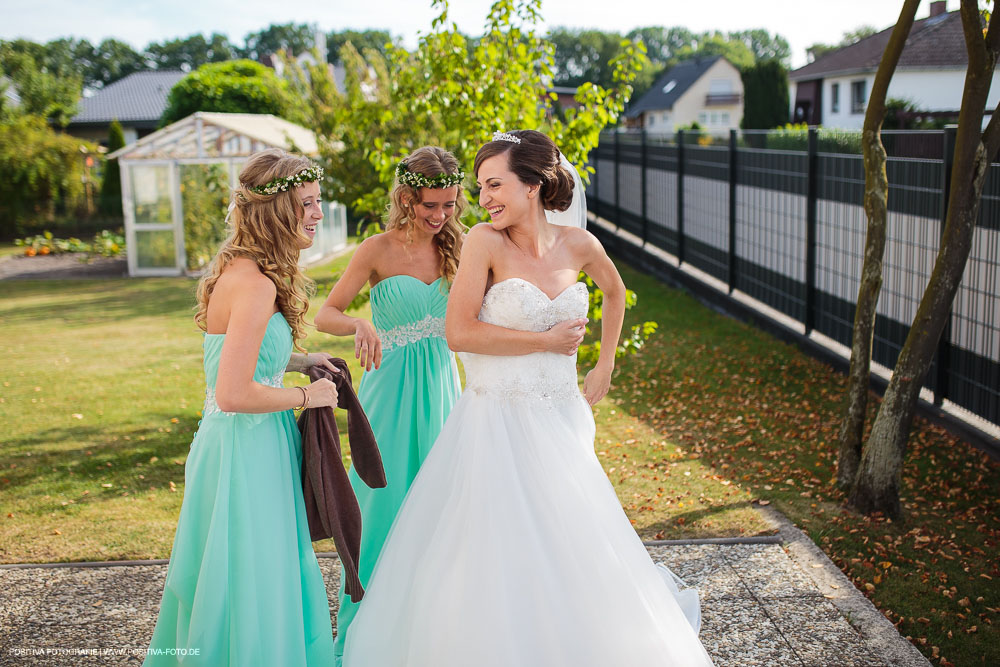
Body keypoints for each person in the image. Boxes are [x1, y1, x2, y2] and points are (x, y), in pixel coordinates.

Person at [343, 130, 714, 666]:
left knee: (572, 537)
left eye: (495, 185)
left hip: (561, 415)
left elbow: (615, 291)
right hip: (496, 418)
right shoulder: (483, 243)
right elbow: (460, 333)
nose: (485, 197)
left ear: (534, 185)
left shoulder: (579, 244)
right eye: (481, 186)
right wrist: (544, 341)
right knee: (496, 545)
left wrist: (604, 362)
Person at [144, 149, 340, 666]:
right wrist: (309, 396)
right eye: (308, 204)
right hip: (243, 450)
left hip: (246, 443)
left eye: (318, 202)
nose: (318, 214)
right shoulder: (253, 285)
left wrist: (300, 361)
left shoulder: (242, 268)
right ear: (277, 211)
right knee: (249, 577)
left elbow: (245, 359)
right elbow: (233, 392)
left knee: (255, 572)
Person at [314, 146, 465, 665]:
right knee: (384, 506)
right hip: (389, 393)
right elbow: (325, 314)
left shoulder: (458, 247)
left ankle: (432, 629)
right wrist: (361, 323)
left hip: (443, 389)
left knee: (443, 504)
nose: (440, 216)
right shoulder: (375, 250)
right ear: (406, 197)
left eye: (449, 205)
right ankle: (368, 627)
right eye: (431, 205)